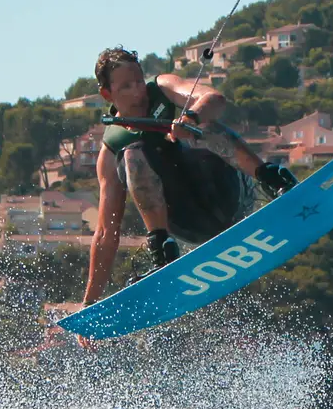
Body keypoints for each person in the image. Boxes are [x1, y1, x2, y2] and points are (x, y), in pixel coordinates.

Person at [80, 47, 296, 306]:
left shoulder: (163, 87)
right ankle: (162, 251)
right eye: (126, 87)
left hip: (228, 194)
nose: (138, 91)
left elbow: (215, 99)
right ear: (107, 94)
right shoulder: (110, 150)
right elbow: (105, 232)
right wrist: (90, 302)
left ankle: (273, 181)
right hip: (187, 221)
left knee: (202, 125)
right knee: (132, 155)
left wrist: (190, 118)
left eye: (139, 80)